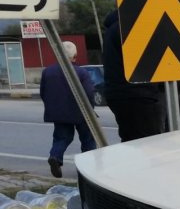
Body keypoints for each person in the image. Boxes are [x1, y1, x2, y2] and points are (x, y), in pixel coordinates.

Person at [101, 10, 164, 141]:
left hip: (121, 93)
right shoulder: (127, 28)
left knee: (131, 141)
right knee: (147, 144)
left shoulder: (113, 29)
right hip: (137, 94)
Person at [40, 41, 97, 178]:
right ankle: (88, 167)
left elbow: (43, 92)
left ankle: (55, 157)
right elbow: (89, 92)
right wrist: (91, 108)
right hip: (81, 113)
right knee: (88, 139)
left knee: (61, 137)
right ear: (75, 56)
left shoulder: (47, 72)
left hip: (59, 113)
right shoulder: (81, 72)